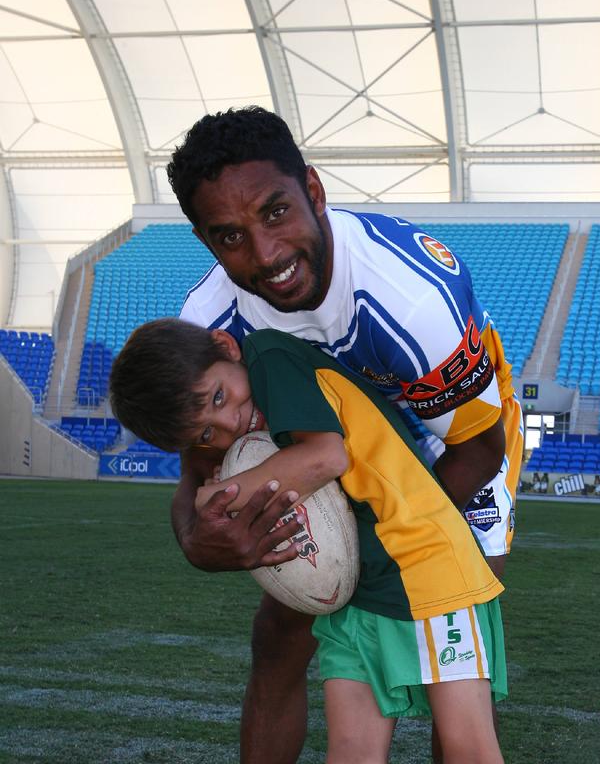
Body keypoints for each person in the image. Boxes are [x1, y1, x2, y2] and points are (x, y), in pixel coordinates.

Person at [166, 105, 525, 763]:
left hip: (456, 446)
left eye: (275, 212)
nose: (265, 253)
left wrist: (375, 549)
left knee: (450, 661)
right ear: (205, 242)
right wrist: (197, 537)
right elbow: (198, 471)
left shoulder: (412, 300)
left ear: (314, 191)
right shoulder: (209, 324)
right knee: (280, 634)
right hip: (328, 465)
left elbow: (479, 447)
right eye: (229, 235)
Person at [109, 317, 507, 764]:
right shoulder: (256, 412)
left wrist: (221, 496)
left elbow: (326, 455)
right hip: (357, 587)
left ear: (226, 347)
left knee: (467, 748)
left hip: (425, 565)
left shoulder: (269, 358)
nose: (229, 423)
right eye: (206, 434)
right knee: (352, 752)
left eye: (219, 397)